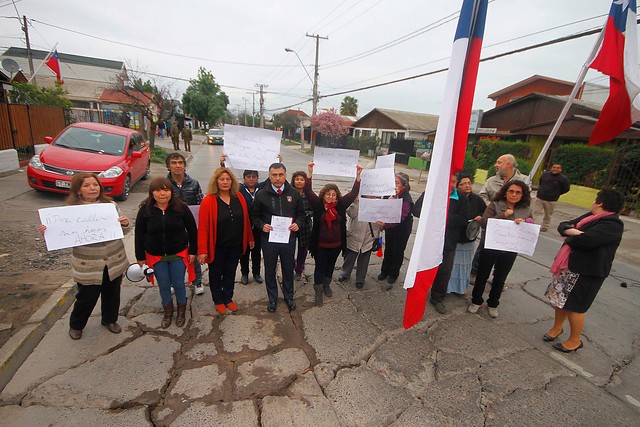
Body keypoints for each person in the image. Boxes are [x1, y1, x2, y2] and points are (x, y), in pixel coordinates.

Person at [39, 173, 130, 340]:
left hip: (114, 259)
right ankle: (77, 325)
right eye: (87, 185)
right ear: (78, 190)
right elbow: (61, 236)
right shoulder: (70, 212)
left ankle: (109, 320)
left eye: (95, 184)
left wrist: (125, 224)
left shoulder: (110, 205)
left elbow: (124, 231)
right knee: (86, 297)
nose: (92, 188)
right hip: (87, 263)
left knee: (112, 293)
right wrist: (49, 232)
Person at [543, 189, 624, 353]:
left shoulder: (612, 224)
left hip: (587, 272)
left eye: (596, 199)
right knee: (559, 300)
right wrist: (575, 232)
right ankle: (557, 328)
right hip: (569, 267)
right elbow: (562, 226)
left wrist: (572, 234)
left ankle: (575, 340)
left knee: (574, 307)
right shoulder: (590, 217)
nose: (593, 202)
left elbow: (585, 241)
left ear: (600, 202)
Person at [135, 178, 197, 328]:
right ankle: (168, 312)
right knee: (163, 285)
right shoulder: (145, 209)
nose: (162, 194)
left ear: (171, 192)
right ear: (152, 193)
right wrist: (140, 257)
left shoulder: (181, 207)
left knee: (178, 284)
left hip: (178, 254)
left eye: (166, 190)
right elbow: (139, 233)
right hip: (156, 257)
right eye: (157, 190)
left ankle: (181, 311)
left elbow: (192, 230)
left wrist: (193, 251)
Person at [468, 180, 533, 318]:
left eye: (518, 192)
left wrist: (526, 222)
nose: (514, 194)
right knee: (482, 275)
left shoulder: (525, 209)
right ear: (505, 192)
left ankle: (493, 303)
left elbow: (531, 225)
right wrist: (502, 215)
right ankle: (476, 301)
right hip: (491, 246)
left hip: (510, 249)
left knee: (500, 277)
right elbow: (484, 222)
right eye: (511, 191)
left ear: (523, 194)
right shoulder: (495, 205)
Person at [249, 162, 305, 313]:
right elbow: (253, 215)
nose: (277, 178)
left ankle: (289, 296)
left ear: (285, 175)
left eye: (281, 174)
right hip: (269, 240)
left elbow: (301, 214)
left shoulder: (293, 193)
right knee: (270, 269)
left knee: (288, 268)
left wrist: (298, 224)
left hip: (288, 239)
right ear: (269, 176)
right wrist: (262, 225)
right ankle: (272, 298)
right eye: (274, 175)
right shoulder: (261, 194)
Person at [198, 168, 254, 315]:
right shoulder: (209, 200)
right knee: (216, 274)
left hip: (235, 245)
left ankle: (228, 298)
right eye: (221, 179)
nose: (225, 182)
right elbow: (203, 227)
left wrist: (249, 238)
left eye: (227, 179)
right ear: (216, 181)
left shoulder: (239, 197)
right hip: (217, 247)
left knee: (230, 273)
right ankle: (218, 300)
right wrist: (202, 250)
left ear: (232, 181)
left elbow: (246, 220)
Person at [305, 161, 362, 306]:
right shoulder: (318, 205)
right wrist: (310, 173)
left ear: (337, 196)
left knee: (330, 266)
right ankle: (318, 291)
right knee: (320, 266)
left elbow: (354, 193)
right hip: (320, 245)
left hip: (336, 245)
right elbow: (308, 191)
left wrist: (358, 176)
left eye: (333, 195)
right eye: (328, 194)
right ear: (323, 195)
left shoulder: (341, 205)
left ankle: (326, 284)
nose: (331, 197)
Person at [413, 175, 469, 314]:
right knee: (422, 267)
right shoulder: (430, 193)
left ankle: (437, 298)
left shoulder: (461, 198)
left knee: (444, 271)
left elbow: (463, 220)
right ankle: (417, 293)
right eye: (448, 180)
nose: (450, 184)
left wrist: (441, 215)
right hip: (428, 239)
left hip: (448, 242)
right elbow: (416, 211)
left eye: (453, 181)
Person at [165, 153, 205, 296]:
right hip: (171, 228)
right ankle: (174, 283)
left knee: (193, 253)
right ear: (168, 166)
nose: (178, 165)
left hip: (191, 225)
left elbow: (201, 203)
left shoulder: (194, 183)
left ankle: (197, 281)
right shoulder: (164, 185)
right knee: (174, 256)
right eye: (174, 163)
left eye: (180, 162)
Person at [447, 173, 487, 295]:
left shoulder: (477, 199)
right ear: (457, 186)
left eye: (469, 183)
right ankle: (449, 287)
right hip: (456, 236)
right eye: (463, 184)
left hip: (469, 237)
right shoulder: (454, 198)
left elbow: (485, 211)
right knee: (451, 265)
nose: (467, 186)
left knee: (465, 265)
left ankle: (460, 288)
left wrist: (481, 217)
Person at [378, 172, 413, 289]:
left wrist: (385, 224)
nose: (394, 185)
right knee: (388, 248)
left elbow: (401, 217)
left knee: (397, 251)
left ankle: (393, 274)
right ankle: (384, 271)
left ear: (404, 185)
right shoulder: (391, 194)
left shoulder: (406, 198)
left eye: (397, 183)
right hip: (390, 227)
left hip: (402, 229)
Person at [337, 196, 381, 290]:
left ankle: (360, 279)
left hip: (369, 237)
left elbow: (382, 220)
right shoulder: (357, 200)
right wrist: (355, 202)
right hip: (355, 235)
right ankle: (345, 273)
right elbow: (351, 214)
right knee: (350, 257)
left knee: (364, 260)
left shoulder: (380, 203)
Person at [238, 170, 265, 285]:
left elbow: (272, 178)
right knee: (244, 252)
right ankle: (244, 273)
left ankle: (256, 273)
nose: (251, 179)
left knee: (256, 252)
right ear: (244, 178)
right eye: (248, 176)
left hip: (258, 227)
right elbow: (226, 177)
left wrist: (277, 160)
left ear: (257, 178)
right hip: (243, 226)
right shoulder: (239, 188)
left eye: (254, 177)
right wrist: (223, 164)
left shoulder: (262, 188)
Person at [534, 163, 570, 232]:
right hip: (540, 197)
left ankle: (545, 226)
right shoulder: (545, 174)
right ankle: (531, 224)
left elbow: (566, 189)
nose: (555, 169)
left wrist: (556, 194)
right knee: (535, 212)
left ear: (561, 169)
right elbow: (540, 182)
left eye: (557, 168)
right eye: (554, 167)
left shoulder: (563, 179)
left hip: (551, 200)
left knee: (548, 214)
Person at [291, 170, 313, 281]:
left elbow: (314, 209)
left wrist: (306, 215)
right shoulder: (289, 192)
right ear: (293, 181)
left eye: (302, 179)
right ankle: (291, 266)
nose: (299, 182)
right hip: (291, 226)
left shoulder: (309, 194)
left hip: (305, 226)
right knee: (289, 248)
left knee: (302, 249)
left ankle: (299, 269)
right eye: (297, 179)